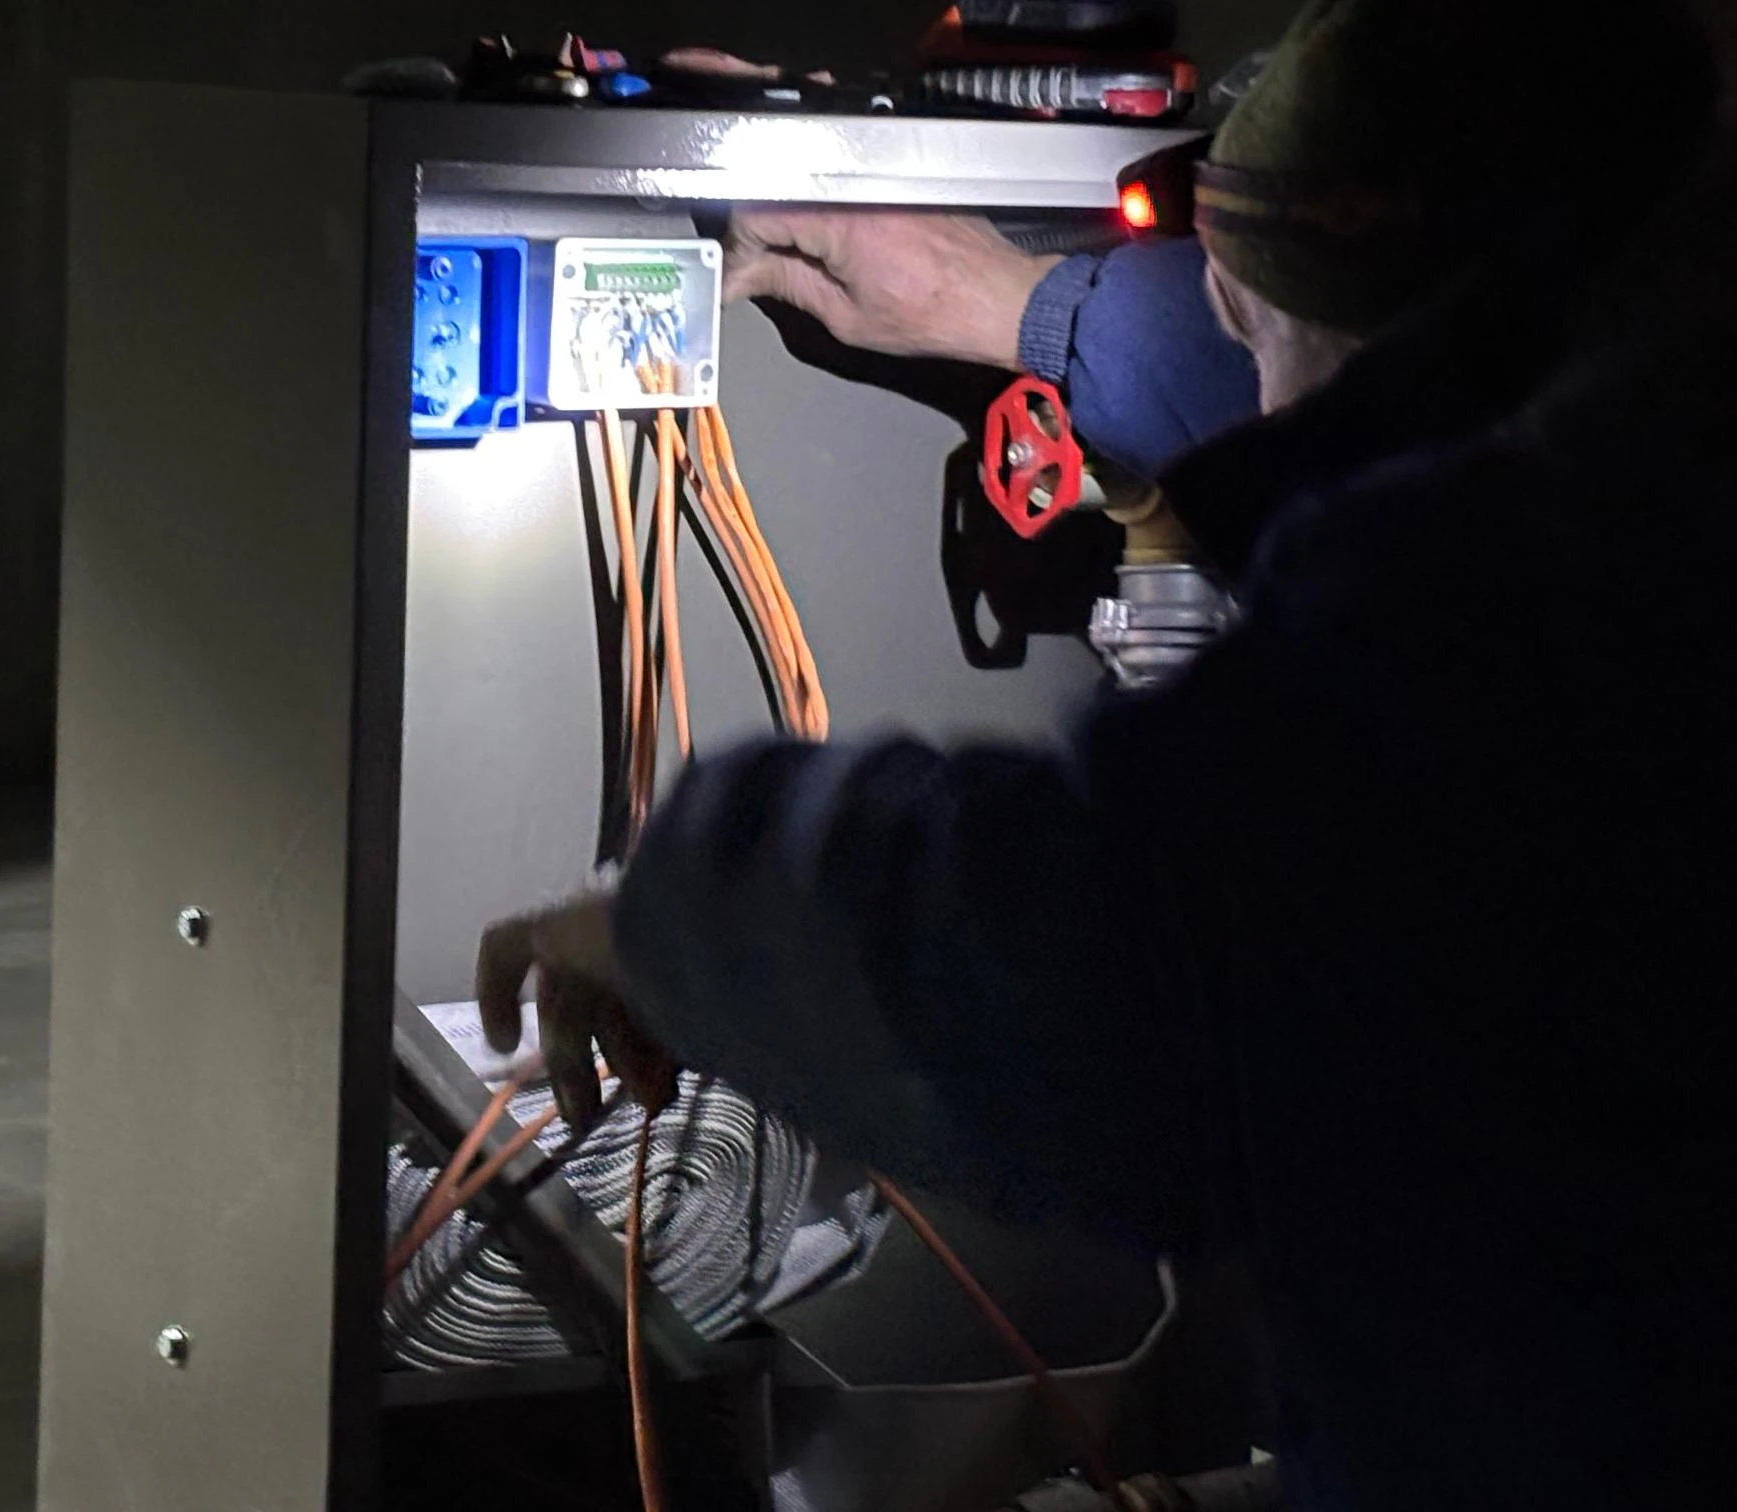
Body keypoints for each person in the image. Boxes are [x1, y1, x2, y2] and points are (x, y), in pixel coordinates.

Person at [480, 1, 1734, 1505]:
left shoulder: (1520, 600)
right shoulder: (1658, 432)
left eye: (1253, 332)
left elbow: (1080, 962)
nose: (1255, 403)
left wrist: (671, 916)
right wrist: (1023, 310)